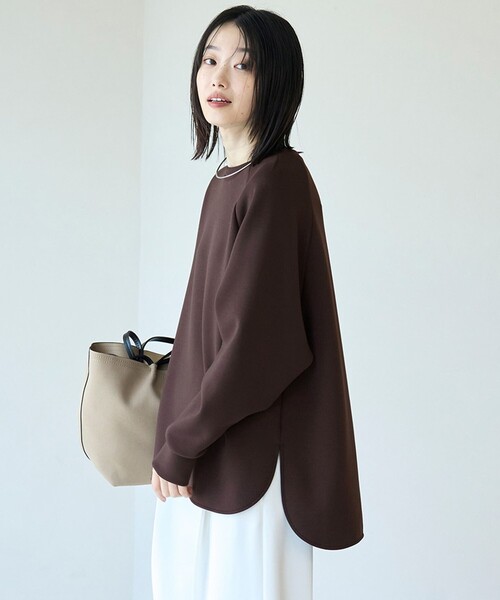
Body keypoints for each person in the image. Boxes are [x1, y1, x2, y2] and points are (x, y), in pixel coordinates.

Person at [150, 5, 363, 599]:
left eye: (242, 65)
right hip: (210, 456)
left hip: (250, 464)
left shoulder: (275, 181)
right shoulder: (229, 179)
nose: (217, 77)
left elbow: (259, 351)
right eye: (209, 59)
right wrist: (178, 439)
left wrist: (180, 444)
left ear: (277, 82)